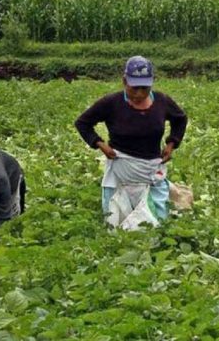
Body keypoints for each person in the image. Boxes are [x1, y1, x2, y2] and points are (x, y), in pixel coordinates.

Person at [75, 56, 187, 226]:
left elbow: (180, 119)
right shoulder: (112, 103)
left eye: (145, 88)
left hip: (151, 170)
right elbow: (83, 123)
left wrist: (172, 144)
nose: (139, 94)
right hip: (121, 170)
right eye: (134, 88)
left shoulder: (162, 101)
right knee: (116, 224)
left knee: (157, 224)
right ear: (124, 81)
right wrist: (100, 144)